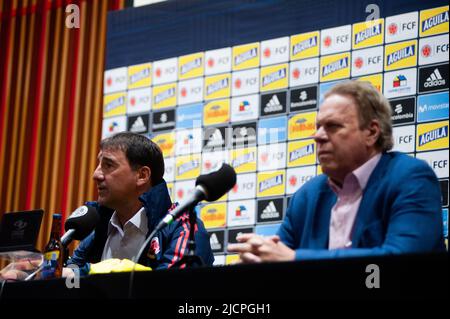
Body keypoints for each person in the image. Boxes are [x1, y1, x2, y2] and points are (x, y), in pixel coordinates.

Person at [228, 80, 445, 263]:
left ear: (371, 132)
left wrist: (295, 260)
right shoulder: (308, 196)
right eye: (318, 126)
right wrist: (258, 258)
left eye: (333, 126)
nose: (318, 136)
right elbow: (277, 257)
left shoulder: (410, 178)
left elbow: (402, 262)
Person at [66, 132, 214, 275]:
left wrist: (89, 272)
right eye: (99, 165)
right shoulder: (99, 228)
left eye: (108, 165)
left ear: (142, 176)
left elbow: (172, 287)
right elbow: (69, 280)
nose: (96, 175)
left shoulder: (183, 226)